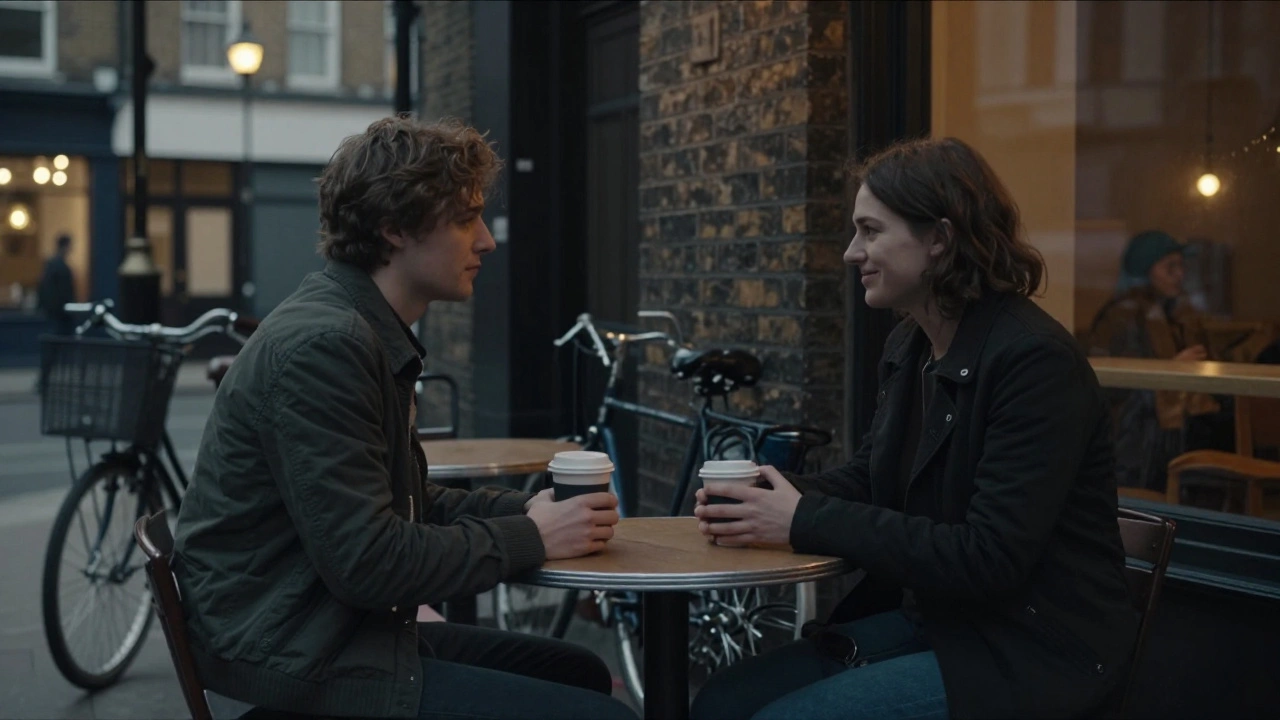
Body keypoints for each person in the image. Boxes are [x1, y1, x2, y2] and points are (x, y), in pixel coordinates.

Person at [174, 116, 635, 720]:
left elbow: (405, 504)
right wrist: (532, 538)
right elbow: (369, 563)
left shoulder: (356, 326)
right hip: (302, 649)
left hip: (327, 626)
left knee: (581, 672)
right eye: (465, 218)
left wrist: (527, 511)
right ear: (394, 228)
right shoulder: (327, 345)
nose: (488, 241)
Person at [689, 137, 1139, 720]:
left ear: (940, 240)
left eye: (871, 231)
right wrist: (773, 494)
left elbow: (988, 557)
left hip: (1028, 652)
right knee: (722, 701)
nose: (853, 252)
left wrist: (802, 518)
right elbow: (875, 481)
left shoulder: (1034, 361)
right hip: (944, 627)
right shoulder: (913, 342)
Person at [1084, 230, 1231, 492]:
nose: (1180, 274)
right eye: (1169, 267)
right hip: (1135, 447)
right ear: (1145, 271)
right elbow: (1109, 385)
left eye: (1181, 266)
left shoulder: (1177, 313)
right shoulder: (1122, 316)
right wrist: (1171, 369)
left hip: (1171, 441)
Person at [37, 233, 75, 336]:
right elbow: (62, 292)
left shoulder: (52, 265)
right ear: (65, 246)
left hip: (56, 314)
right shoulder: (59, 266)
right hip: (59, 315)